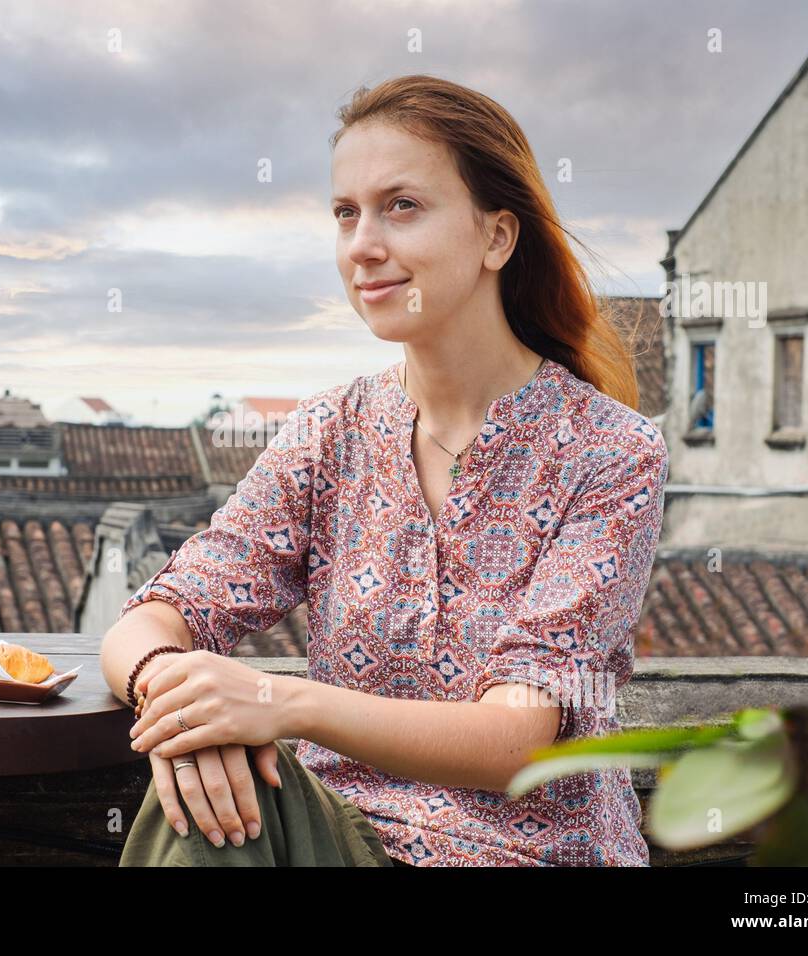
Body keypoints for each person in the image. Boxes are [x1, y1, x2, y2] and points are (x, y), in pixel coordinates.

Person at [101, 74, 668, 867]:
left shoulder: (609, 452)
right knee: (211, 801)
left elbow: (516, 738)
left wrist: (270, 700)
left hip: (529, 854)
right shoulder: (329, 433)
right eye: (345, 214)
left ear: (497, 238)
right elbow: (151, 618)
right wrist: (185, 707)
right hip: (344, 841)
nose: (362, 245)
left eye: (401, 206)